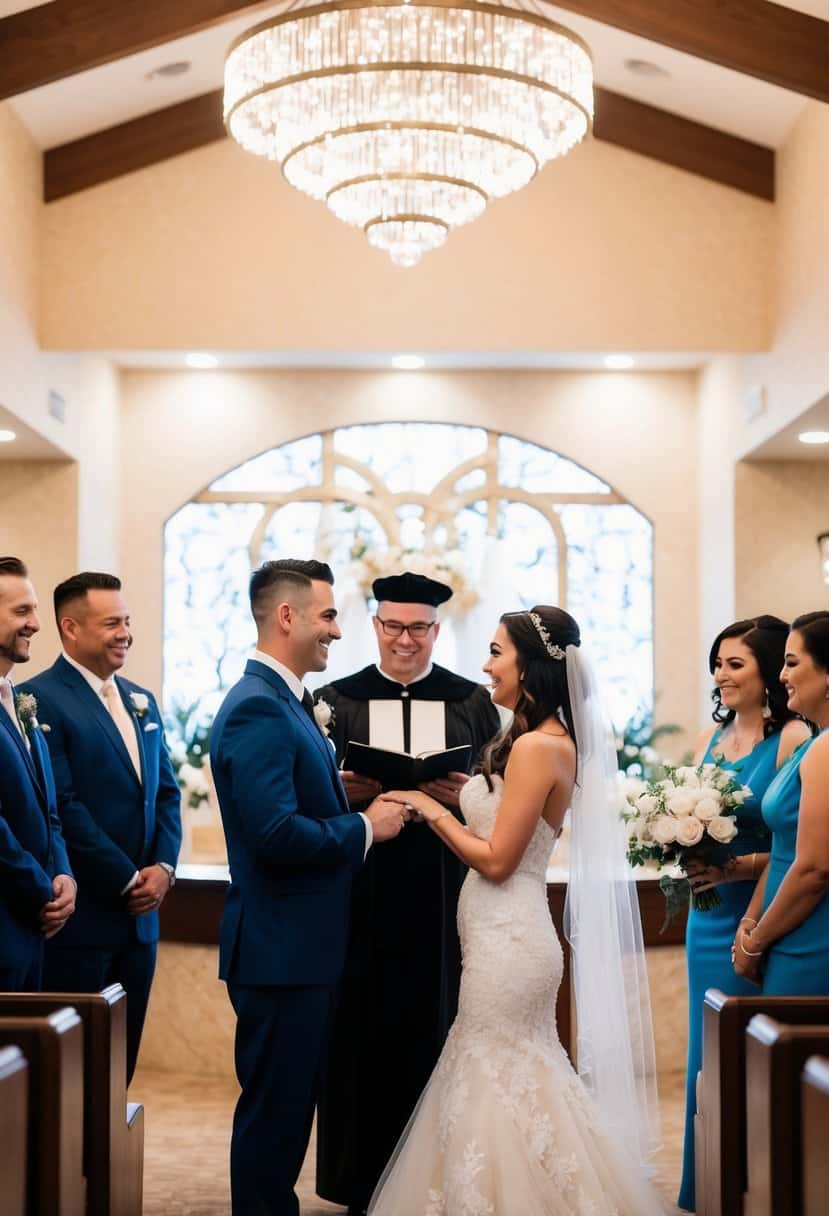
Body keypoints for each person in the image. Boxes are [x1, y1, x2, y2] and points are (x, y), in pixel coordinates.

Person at [369, 606, 663, 1216]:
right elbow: (509, 824)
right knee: (510, 1069)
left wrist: (432, 809)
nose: (485, 664)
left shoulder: (536, 745)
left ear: (529, 665)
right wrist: (465, 800)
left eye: (497, 651)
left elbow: (500, 860)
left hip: (511, 937)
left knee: (493, 1068)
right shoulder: (533, 739)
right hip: (502, 933)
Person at [209, 559, 408, 1216]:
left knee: (288, 1113)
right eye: (327, 616)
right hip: (280, 953)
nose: (336, 631)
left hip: (298, 950)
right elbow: (273, 836)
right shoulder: (259, 708)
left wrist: (333, 794)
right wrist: (362, 827)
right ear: (286, 616)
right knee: (274, 1118)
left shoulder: (284, 701)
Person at [314, 571, 500, 1215]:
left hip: (444, 887)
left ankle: (436, 1176)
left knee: (438, 1017)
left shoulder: (473, 701)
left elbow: (502, 801)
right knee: (357, 1025)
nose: (404, 639)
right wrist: (342, 791)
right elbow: (307, 794)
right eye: (392, 625)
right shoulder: (334, 698)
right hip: (361, 887)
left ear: (435, 630)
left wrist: (465, 796)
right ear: (375, 627)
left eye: (418, 627)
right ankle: (356, 1178)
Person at [23, 571, 181, 1083]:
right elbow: (63, 804)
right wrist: (127, 877)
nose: (125, 633)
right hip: (83, 920)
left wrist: (164, 866)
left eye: (127, 621)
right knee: (72, 1075)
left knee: (120, 1067)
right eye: (111, 623)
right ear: (71, 629)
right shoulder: (39, 700)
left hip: (141, 924)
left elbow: (165, 793)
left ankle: (110, 1161)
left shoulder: (141, 700)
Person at [677, 615, 809, 1211]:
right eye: (718, 663)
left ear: (768, 675)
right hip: (704, 916)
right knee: (704, 1050)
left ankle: (740, 1184)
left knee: (740, 1051)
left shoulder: (793, 739)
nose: (722, 675)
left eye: (736, 664)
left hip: (752, 914)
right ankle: (701, 1184)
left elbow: (796, 848)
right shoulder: (716, 737)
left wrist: (734, 869)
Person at [734, 610, 829, 996]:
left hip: (808, 939)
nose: (782, 675)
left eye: (792, 663)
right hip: (784, 932)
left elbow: (814, 868)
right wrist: (750, 919)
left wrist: (756, 942)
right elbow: (783, 851)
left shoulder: (825, 750)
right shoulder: (811, 744)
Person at [0, 556, 75, 991]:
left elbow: (49, 810)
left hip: (30, 934)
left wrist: (63, 873)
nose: (36, 624)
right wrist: (43, 888)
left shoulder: (19, 703)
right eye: (22, 611)